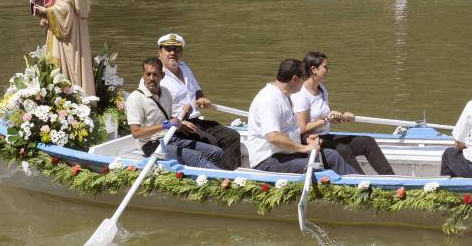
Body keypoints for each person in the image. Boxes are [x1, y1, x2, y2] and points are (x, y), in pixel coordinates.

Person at [246, 59, 359, 175]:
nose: (305, 82)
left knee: (332, 155)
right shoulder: (269, 99)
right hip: (268, 161)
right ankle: (358, 187)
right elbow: (274, 137)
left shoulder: (285, 96)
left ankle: (362, 183)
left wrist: (305, 139)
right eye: (303, 78)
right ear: (295, 79)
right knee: (318, 168)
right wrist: (303, 148)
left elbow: (288, 130)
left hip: (287, 154)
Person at [292, 51, 395, 175]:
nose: (328, 70)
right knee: (343, 150)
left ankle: (392, 179)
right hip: (309, 141)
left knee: (367, 142)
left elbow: (327, 118)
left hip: (325, 136)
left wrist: (342, 118)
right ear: (314, 69)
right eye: (325, 67)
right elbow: (302, 129)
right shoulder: (301, 95)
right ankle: (363, 184)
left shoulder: (322, 89)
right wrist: (327, 119)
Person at [156, 33, 242, 170]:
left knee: (232, 136)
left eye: (176, 50)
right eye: (168, 49)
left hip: (196, 119)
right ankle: (218, 176)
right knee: (212, 142)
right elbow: (153, 109)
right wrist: (177, 122)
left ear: (181, 52)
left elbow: (196, 90)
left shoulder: (184, 68)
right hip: (178, 127)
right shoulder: (155, 76)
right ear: (159, 53)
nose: (173, 53)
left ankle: (230, 174)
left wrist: (201, 97)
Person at [125, 57, 223, 168]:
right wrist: (166, 125)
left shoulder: (166, 92)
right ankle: (222, 180)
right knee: (194, 156)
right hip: (152, 145)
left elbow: (164, 116)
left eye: (155, 74)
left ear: (162, 76)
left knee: (216, 152)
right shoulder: (135, 98)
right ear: (143, 75)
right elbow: (136, 132)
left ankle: (205, 178)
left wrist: (180, 121)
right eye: (148, 74)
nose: (151, 78)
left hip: (171, 137)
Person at [32, 0, 95, 96]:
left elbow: (64, 9)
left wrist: (46, 11)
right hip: (76, 29)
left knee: (64, 68)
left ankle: (67, 98)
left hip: (66, 36)